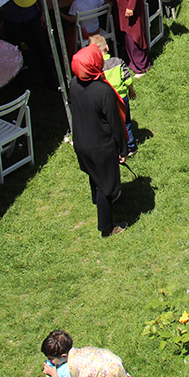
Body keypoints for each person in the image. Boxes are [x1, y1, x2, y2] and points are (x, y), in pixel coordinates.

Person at [69, 44, 130, 237]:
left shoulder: (74, 83)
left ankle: (98, 201)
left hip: (81, 143)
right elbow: (115, 124)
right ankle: (107, 227)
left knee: (94, 177)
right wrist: (123, 150)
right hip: (101, 146)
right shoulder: (103, 91)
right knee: (106, 185)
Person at [41, 330, 141, 377]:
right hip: (115, 364)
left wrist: (53, 374)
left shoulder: (70, 367)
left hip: (103, 374)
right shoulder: (82, 351)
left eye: (51, 359)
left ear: (63, 355)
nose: (51, 362)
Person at [89, 34, 137, 157]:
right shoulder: (118, 62)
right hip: (122, 97)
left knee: (111, 123)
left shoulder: (96, 68)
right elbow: (128, 80)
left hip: (107, 100)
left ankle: (117, 147)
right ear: (107, 47)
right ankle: (131, 146)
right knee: (126, 122)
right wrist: (131, 91)